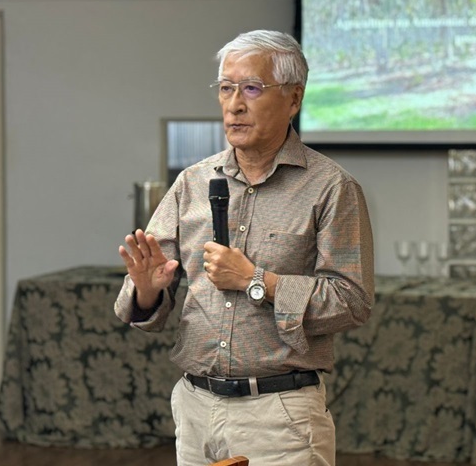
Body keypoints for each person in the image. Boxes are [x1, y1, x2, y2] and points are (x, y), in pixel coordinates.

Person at [114, 30, 375, 466]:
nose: (234, 103)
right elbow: (146, 305)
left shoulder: (331, 187)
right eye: (225, 87)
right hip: (196, 408)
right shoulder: (192, 183)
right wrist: (146, 288)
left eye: (251, 88)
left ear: (294, 99)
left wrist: (256, 280)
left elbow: (352, 301)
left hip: (280, 414)